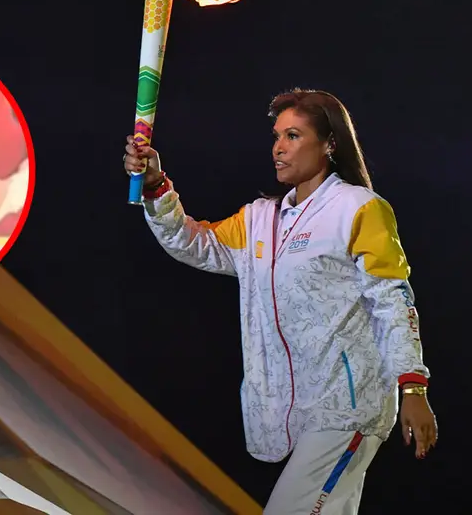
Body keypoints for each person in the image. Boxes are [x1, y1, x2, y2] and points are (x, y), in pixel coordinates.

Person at [123, 89, 438, 514]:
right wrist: (157, 186)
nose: (278, 147)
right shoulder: (259, 219)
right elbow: (192, 243)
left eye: (293, 135)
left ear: (330, 143)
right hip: (294, 407)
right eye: (276, 135)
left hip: (347, 406)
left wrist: (413, 386)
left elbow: (393, 302)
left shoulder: (359, 209)